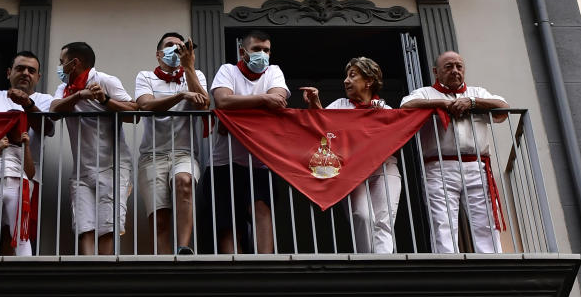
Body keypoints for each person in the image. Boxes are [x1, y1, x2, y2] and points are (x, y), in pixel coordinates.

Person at [400, 49, 509, 253]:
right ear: (436, 71)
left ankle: (492, 265)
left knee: (485, 222)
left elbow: (502, 108)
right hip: (439, 166)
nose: (455, 70)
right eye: (448, 67)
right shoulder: (426, 93)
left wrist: (472, 102)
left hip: (476, 165)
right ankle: (447, 266)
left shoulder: (477, 93)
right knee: (442, 222)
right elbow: (406, 106)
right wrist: (442, 103)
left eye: (459, 66)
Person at [301, 56, 402, 253]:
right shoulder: (340, 104)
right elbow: (322, 124)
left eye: (352, 75)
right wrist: (315, 102)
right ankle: (368, 263)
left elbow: (394, 134)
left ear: (369, 81)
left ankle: (383, 267)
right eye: (346, 76)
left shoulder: (385, 109)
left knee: (383, 221)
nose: (346, 80)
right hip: (351, 172)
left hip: (384, 168)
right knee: (362, 216)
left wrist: (378, 117)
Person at [49, 41, 136, 256]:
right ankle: (88, 271)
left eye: (62, 63)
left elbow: (134, 113)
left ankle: (104, 276)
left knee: (107, 227)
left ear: (74, 63)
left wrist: (104, 100)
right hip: (81, 172)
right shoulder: (64, 88)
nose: (59, 68)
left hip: (112, 166)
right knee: (84, 226)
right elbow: (53, 110)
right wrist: (79, 95)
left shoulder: (105, 80)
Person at [208, 31, 289, 254]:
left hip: (261, 161)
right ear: (242, 52)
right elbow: (223, 100)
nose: (262, 55)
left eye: (267, 50)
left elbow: (279, 100)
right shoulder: (228, 70)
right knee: (228, 222)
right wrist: (263, 99)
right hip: (224, 162)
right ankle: (234, 272)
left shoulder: (274, 71)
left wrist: (238, 107)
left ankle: (267, 267)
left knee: (262, 210)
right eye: (256, 50)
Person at [0, 50, 52, 257]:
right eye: (20, 68)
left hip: (25, 175)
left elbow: (47, 128)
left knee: (15, 231)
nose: (25, 73)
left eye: (31, 70)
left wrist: (28, 104)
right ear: (8, 73)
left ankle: (12, 278)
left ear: (38, 77)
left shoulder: (43, 99)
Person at [134, 32, 209, 255]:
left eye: (179, 46)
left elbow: (204, 105)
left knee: (184, 182)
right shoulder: (145, 76)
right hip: (152, 156)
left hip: (184, 153)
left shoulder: (195, 75)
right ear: (158, 54)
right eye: (170, 46)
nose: (176, 49)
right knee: (160, 220)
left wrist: (189, 69)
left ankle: (184, 247)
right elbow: (146, 106)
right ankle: (164, 263)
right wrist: (181, 96)